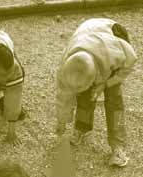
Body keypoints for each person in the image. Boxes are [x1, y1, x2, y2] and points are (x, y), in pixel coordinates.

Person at [55, 18, 137, 167]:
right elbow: (64, 97)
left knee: (114, 100)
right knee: (85, 96)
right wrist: (61, 121)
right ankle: (82, 127)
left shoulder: (116, 53)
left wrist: (107, 83)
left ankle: (118, 146)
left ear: (97, 73)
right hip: (87, 36)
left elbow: (130, 63)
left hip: (111, 33)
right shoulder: (65, 69)